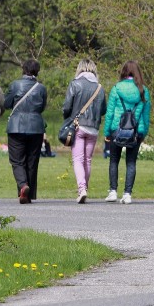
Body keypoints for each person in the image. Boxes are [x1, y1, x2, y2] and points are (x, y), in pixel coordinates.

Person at [104, 60, 150, 205]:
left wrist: (107, 132)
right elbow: (146, 115)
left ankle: (112, 191)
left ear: (123, 72)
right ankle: (127, 194)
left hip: (116, 130)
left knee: (114, 161)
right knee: (131, 162)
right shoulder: (143, 90)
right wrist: (143, 132)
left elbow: (110, 113)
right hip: (136, 131)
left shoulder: (116, 89)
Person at [63, 58, 107, 203]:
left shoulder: (75, 84)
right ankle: (84, 189)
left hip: (78, 126)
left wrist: (67, 118)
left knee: (77, 159)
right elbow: (103, 110)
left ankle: (81, 189)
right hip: (93, 128)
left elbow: (67, 107)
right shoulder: (99, 88)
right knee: (87, 160)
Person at [4, 59, 47, 204]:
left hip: (16, 127)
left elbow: (7, 103)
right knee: (32, 161)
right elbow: (42, 108)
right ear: (37, 71)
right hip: (36, 127)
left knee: (17, 160)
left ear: (24, 69)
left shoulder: (15, 85)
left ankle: (23, 186)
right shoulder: (41, 88)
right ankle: (27, 195)